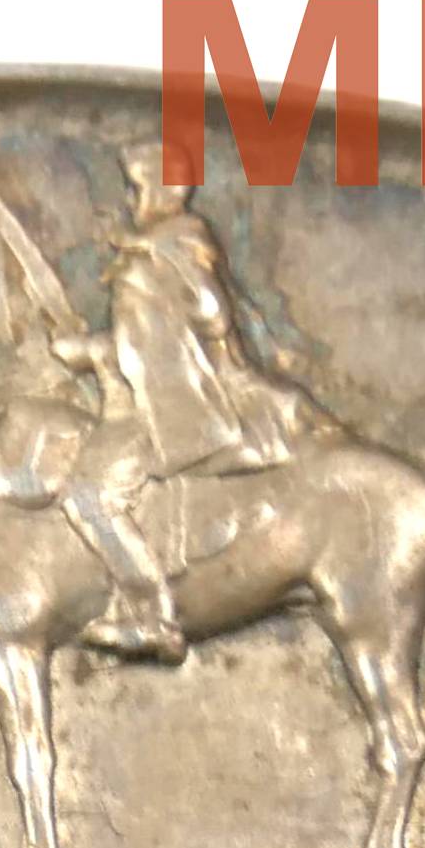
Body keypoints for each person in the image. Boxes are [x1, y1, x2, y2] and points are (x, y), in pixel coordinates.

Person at [48, 140, 308, 660]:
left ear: (167, 188)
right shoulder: (154, 251)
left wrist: (158, 264)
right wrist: (92, 349)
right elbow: (148, 337)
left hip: (179, 407)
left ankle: (151, 616)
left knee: (89, 494)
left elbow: (209, 317)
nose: (131, 199)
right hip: (149, 397)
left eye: (137, 187)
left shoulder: (180, 243)